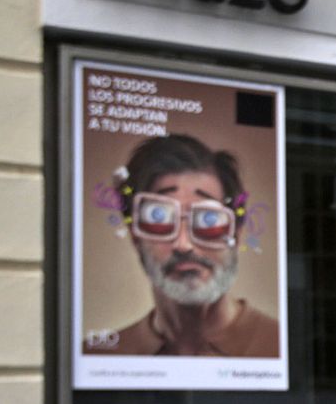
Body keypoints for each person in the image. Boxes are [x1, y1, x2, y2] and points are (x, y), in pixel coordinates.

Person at [85, 133, 280, 357]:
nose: (184, 245)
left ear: (236, 233)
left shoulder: (280, 349)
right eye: (159, 219)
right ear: (135, 235)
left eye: (209, 220)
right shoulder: (102, 356)